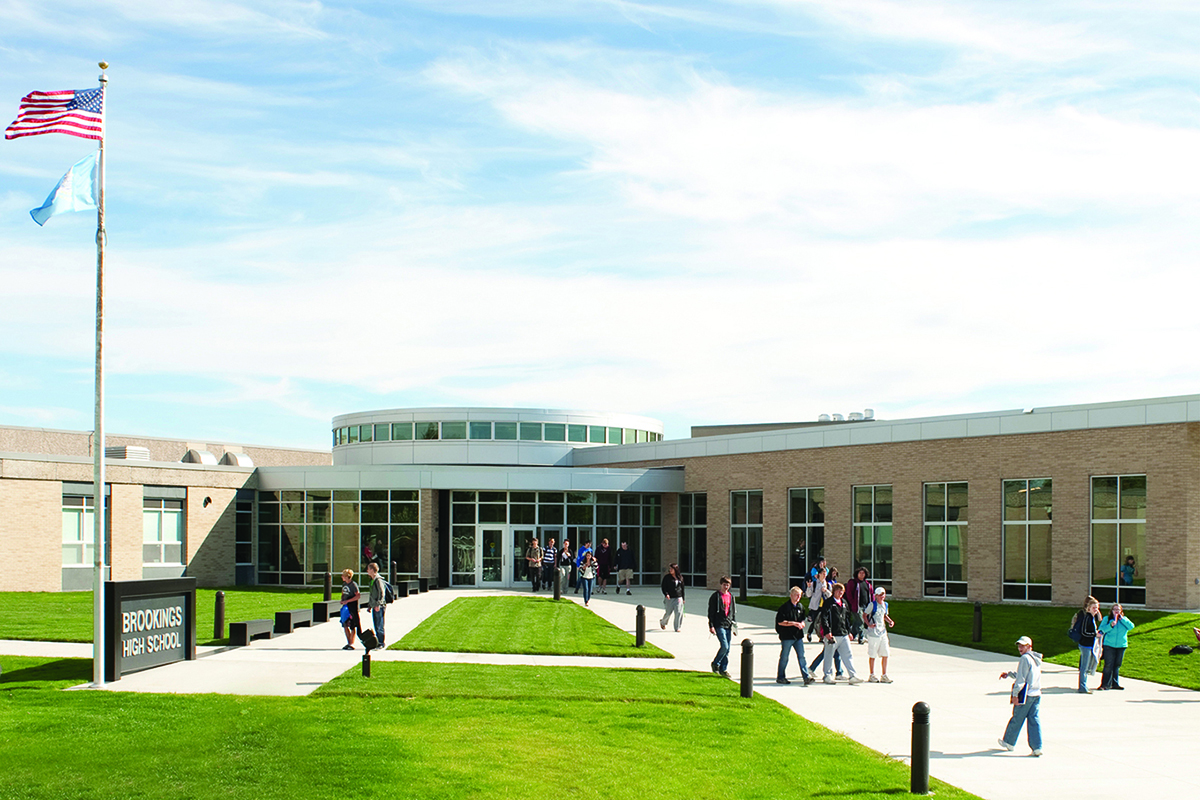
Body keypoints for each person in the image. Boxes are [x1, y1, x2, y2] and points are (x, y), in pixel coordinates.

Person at [998, 635, 1043, 756]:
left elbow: (1021, 679)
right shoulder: (1036, 659)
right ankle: (1037, 747)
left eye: (1023, 646)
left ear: (1029, 646)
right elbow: (1025, 674)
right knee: (1034, 720)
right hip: (1036, 694)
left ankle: (1009, 742)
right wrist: (1009, 674)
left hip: (1026, 694)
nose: (1020, 648)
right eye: (1019, 645)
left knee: (1017, 718)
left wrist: (1015, 694)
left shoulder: (1024, 659)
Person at [819, 583, 862, 684]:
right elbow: (824, 617)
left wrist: (849, 631)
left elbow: (847, 618)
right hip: (832, 634)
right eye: (838, 591)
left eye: (842, 591)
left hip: (843, 634)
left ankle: (852, 675)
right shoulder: (828, 603)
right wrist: (827, 631)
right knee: (829, 655)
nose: (840, 593)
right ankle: (827, 675)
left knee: (848, 654)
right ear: (834, 591)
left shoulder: (844, 603)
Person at [775, 586, 813, 685]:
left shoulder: (800, 607)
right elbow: (780, 622)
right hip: (787, 636)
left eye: (800, 595)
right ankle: (781, 677)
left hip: (798, 636)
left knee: (802, 657)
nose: (798, 597)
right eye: (796, 595)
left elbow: (802, 619)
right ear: (791, 595)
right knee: (784, 657)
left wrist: (802, 624)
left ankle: (806, 677)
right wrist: (794, 623)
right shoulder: (784, 608)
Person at [1098, 603, 1135, 690]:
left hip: (1121, 645)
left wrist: (1122, 620)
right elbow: (1101, 630)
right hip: (1109, 645)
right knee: (1108, 665)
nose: (1116, 611)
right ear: (1111, 611)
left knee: (1117, 665)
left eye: (1118, 610)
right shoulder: (1107, 619)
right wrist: (1111, 625)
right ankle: (1104, 684)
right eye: (1114, 609)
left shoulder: (1124, 620)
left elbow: (1131, 627)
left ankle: (1115, 683)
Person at [707, 576, 736, 678]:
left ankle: (724, 669)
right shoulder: (715, 596)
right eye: (724, 584)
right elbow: (711, 612)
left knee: (727, 649)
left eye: (728, 585)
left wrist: (734, 625)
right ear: (721, 585)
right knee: (724, 646)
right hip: (719, 624)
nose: (726, 587)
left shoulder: (731, 596)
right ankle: (715, 663)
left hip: (728, 624)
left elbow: (733, 612)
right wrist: (711, 625)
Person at [863, 586, 894, 682]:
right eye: (880, 595)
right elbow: (865, 615)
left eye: (883, 594)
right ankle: (872, 674)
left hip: (882, 632)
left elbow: (884, 615)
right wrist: (868, 624)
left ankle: (884, 675)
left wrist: (890, 621)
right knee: (872, 654)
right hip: (873, 633)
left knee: (885, 653)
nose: (882, 596)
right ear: (876, 596)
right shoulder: (872, 605)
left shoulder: (885, 605)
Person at [1073, 596, 1102, 693]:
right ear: (1088, 608)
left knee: (1086, 666)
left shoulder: (1092, 617)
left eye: (1097, 608)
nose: (1096, 610)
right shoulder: (1087, 617)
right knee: (1084, 667)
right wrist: (1095, 634)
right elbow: (1084, 632)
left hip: (1089, 645)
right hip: (1085, 645)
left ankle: (1083, 686)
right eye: (1094, 608)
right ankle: (1082, 687)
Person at [845, 567, 874, 644]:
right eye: (860, 573)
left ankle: (852, 635)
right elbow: (849, 594)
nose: (862, 574)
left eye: (863, 573)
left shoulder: (867, 584)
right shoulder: (853, 582)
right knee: (861, 621)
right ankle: (861, 638)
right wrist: (852, 602)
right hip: (857, 606)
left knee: (856, 622)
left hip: (866, 606)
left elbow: (871, 594)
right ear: (857, 574)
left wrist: (872, 604)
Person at [805, 566, 831, 643]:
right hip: (815, 605)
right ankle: (809, 632)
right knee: (815, 621)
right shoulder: (814, 583)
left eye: (825, 574)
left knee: (823, 622)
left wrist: (826, 591)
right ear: (819, 574)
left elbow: (830, 596)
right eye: (823, 574)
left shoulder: (828, 584)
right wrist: (809, 587)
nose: (824, 575)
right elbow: (808, 595)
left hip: (824, 605)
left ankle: (822, 637)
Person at [365, 561, 386, 650]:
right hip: (374, 605)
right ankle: (378, 642)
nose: (367, 571)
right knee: (376, 624)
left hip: (379, 606)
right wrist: (370, 605)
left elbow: (381, 593)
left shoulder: (378, 580)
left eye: (368, 569)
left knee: (379, 624)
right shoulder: (372, 580)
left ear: (372, 570)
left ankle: (381, 642)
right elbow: (372, 594)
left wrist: (378, 604)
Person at [338, 568, 360, 651]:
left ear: (347, 576)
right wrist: (342, 600)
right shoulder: (344, 585)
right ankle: (348, 642)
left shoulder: (353, 585)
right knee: (345, 625)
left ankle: (352, 643)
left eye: (343, 575)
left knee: (352, 625)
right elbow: (343, 593)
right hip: (345, 607)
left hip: (352, 608)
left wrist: (348, 601)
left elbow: (358, 595)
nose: (342, 577)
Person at [660, 563, 685, 631]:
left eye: (672, 569)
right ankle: (663, 622)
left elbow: (682, 588)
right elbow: (663, 587)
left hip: (678, 597)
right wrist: (666, 594)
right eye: (670, 569)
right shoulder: (667, 577)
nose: (670, 570)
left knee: (679, 612)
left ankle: (677, 627)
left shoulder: (680, 577)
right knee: (668, 612)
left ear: (675, 570)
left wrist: (683, 598)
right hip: (670, 597)